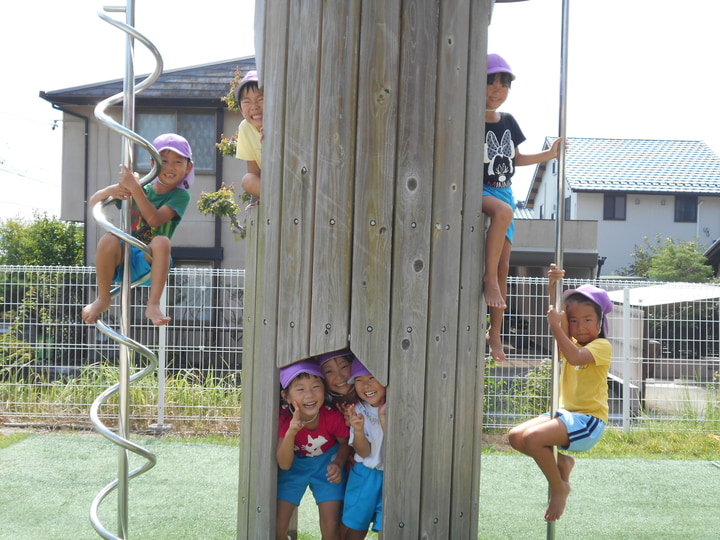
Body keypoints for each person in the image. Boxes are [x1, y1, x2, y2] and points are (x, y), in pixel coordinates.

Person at [507, 264, 613, 523]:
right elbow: (559, 316)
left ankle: (559, 487)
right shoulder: (570, 341)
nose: (579, 326)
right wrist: (552, 285)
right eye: (574, 321)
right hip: (566, 415)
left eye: (588, 320)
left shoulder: (601, 346)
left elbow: (575, 356)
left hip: (588, 422)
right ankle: (562, 464)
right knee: (515, 437)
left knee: (533, 439)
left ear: (600, 324)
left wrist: (557, 328)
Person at [483, 53, 564, 362]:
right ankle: (488, 280)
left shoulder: (508, 121)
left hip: (504, 191)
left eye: (503, 86)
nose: (497, 91)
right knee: (502, 216)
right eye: (491, 84)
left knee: (506, 266)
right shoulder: (469, 118)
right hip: (479, 190)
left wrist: (550, 154)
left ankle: (496, 335)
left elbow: (516, 159)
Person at [81, 133, 193, 326]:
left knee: (161, 241)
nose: (170, 167)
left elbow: (155, 220)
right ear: (153, 164)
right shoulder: (141, 188)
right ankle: (103, 297)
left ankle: (154, 304)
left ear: (188, 167)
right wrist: (111, 190)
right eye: (163, 161)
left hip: (150, 261)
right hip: (122, 258)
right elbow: (93, 203)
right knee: (109, 238)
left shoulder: (180, 196)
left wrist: (135, 189)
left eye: (177, 161)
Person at [276, 360, 350, 540]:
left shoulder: (331, 417)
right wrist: (291, 433)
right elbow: (284, 465)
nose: (309, 394)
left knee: (331, 524)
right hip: (295, 466)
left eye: (316, 386)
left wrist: (338, 463)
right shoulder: (285, 422)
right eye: (300, 389)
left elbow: (344, 443)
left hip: (327, 465)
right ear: (286, 396)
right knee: (278, 522)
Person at [342, 359, 387, 540]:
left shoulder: (399, 406)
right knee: (356, 527)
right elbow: (363, 452)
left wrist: (384, 418)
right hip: (365, 474)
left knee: (388, 523)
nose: (366, 385)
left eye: (372, 377)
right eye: (359, 380)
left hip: (391, 476)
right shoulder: (359, 410)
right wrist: (358, 430)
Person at [234, 69, 263, 202]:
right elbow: (254, 173)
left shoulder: (280, 123)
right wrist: (256, 199)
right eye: (247, 102)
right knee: (248, 179)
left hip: (294, 177)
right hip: (270, 185)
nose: (254, 106)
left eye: (261, 99)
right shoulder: (245, 128)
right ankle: (270, 200)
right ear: (240, 108)